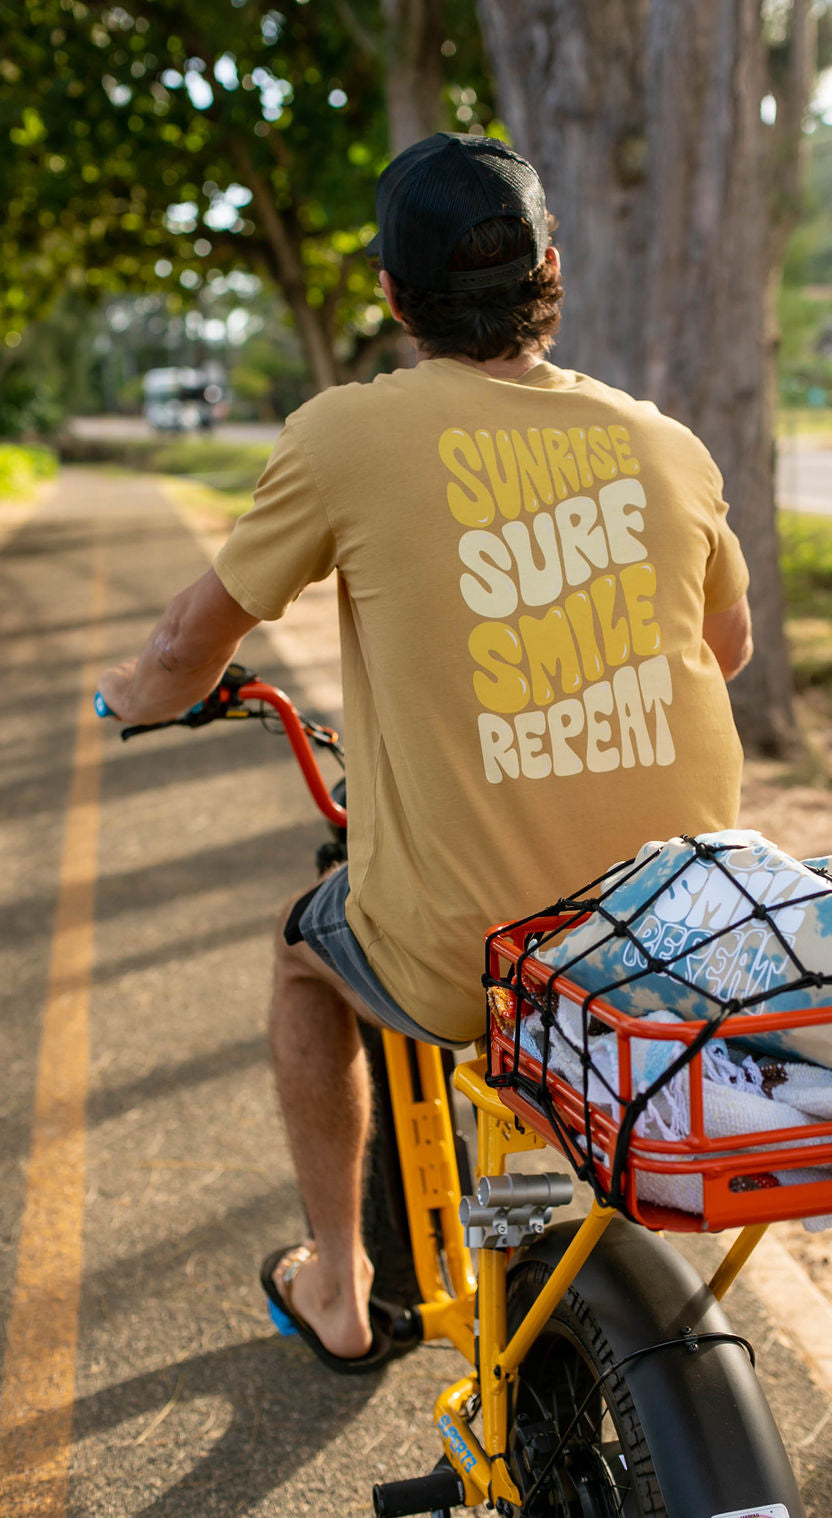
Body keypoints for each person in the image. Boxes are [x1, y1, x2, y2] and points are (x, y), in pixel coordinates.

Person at [98, 132, 752, 1373]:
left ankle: (340, 1288)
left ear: (393, 296)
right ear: (551, 268)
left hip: (478, 957)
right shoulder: (666, 443)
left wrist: (124, 697)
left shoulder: (346, 435)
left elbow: (189, 645)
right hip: (678, 933)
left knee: (303, 952)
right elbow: (724, 648)